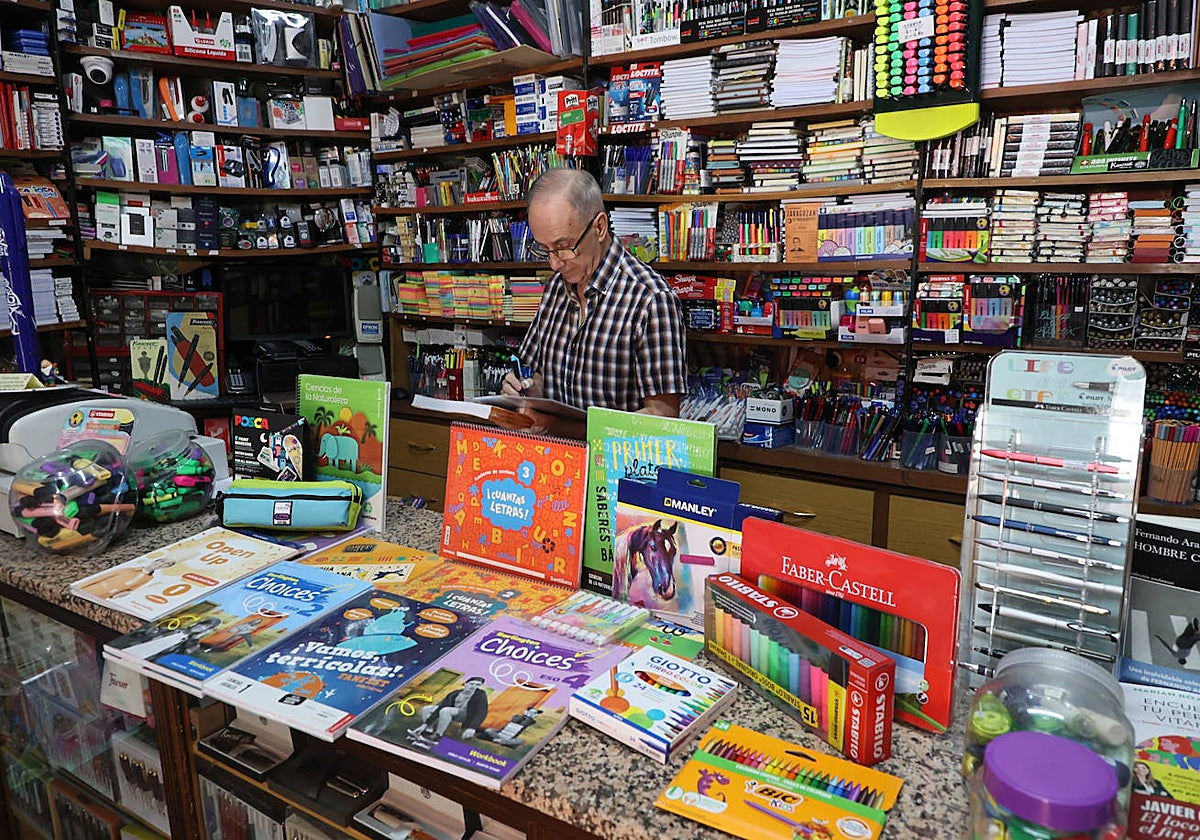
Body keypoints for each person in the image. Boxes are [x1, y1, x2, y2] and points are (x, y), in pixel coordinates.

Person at [500, 168, 687, 435]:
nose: (554, 263)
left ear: (599, 227)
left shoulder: (650, 300)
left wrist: (562, 427)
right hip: (553, 462)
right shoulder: (556, 288)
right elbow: (538, 374)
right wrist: (523, 389)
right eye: (544, 249)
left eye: (564, 246)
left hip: (612, 468)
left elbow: (662, 418)